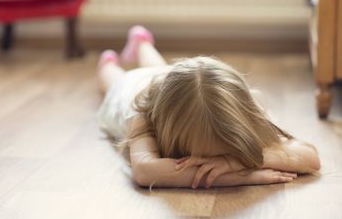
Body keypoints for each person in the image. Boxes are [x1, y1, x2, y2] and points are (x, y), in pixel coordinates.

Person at [97, 26, 321, 189]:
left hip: (167, 81)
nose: (218, 163)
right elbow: (145, 172)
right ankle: (107, 63)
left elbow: (310, 158)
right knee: (115, 80)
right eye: (208, 161)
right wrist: (240, 176)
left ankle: (142, 42)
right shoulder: (143, 117)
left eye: (228, 153)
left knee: (159, 68)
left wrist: (236, 161)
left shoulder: (242, 115)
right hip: (130, 91)